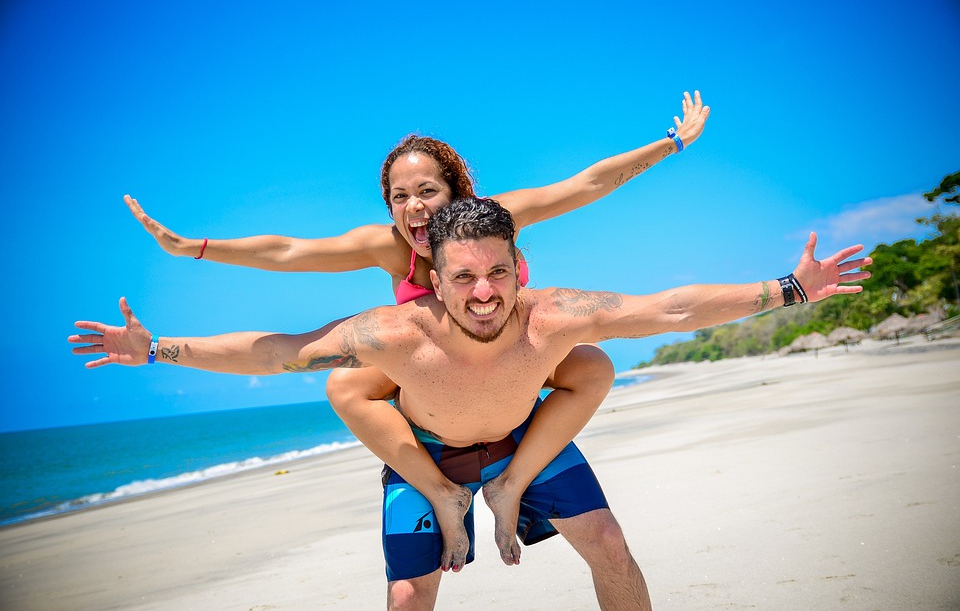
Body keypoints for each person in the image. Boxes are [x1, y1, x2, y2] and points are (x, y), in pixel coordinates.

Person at [71, 197, 871, 610]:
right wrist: (158, 349)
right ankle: (452, 498)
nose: (483, 293)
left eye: (497, 272)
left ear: (519, 266)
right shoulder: (392, 333)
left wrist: (792, 287)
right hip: (429, 450)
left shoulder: (555, 312)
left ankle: (510, 486)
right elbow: (279, 352)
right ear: (435, 277)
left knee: (611, 545)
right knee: (408, 597)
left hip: (526, 435)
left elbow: (671, 308)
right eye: (462, 277)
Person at [123, 91, 711, 570]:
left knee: (590, 364)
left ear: (457, 191)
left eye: (428, 190)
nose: (414, 207)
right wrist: (192, 248)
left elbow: (583, 186)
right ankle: (442, 493)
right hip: (437, 377)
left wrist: (672, 143)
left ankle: (513, 487)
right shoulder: (388, 244)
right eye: (399, 196)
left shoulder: (492, 219)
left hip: (511, 362)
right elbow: (289, 250)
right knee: (345, 383)